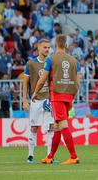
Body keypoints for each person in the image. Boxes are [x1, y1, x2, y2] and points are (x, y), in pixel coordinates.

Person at [33, 34, 80, 165]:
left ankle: (73, 156)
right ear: (65, 45)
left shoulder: (51, 59)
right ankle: (50, 156)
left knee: (62, 125)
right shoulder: (74, 60)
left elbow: (42, 79)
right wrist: (72, 96)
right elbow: (78, 82)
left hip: (57, 95)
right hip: (69, 95)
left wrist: (35, 92)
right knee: (57, 126)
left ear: (55, 45)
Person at [22, 39, 55, 163]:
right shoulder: (31, 64)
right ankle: (30, 156)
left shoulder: (51, 62)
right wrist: (24, 100)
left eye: (48, 47)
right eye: (45, 47)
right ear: (39, 48)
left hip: (48, 99)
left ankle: (49, 156)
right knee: (34, 127)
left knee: (51, 126)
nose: (47, 49)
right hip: (36, 100)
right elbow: (25, 84)